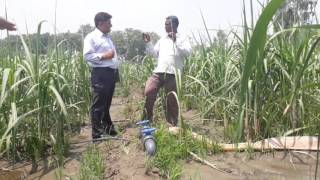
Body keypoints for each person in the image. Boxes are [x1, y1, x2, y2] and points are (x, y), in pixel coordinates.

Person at [143, 15, 191, 126]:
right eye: (165, 24)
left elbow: (188, 53)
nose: (165, 26)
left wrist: (176, 41)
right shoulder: (162, 39)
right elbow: (153, 54)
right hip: (159, 72)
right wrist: (148, 43)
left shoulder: (183, 38)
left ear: (175, 25)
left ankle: (172, 125)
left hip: (173, 74)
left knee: (172, 100)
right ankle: (147, 120)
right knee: (149, 92)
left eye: (168, 24)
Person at [83, 12, 119, 140]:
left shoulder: (107, 37)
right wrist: (103, 56)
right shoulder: (91, 37)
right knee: (98, 104)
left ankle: (107, 128)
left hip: (111, 73)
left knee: (107, 103)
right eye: (109, 23)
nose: (111, 25)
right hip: (101, 74)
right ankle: (97, 134)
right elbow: (87, 56)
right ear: (100, 23)